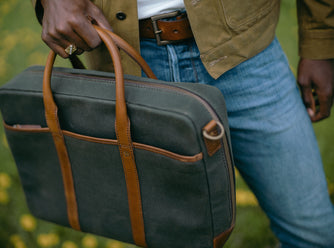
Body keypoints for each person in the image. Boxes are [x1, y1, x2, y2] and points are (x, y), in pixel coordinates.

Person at [31, 0, 334, 247]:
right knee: (172, 238)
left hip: (246, 51)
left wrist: (321, 42)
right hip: (127, 61)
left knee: (313, 233)